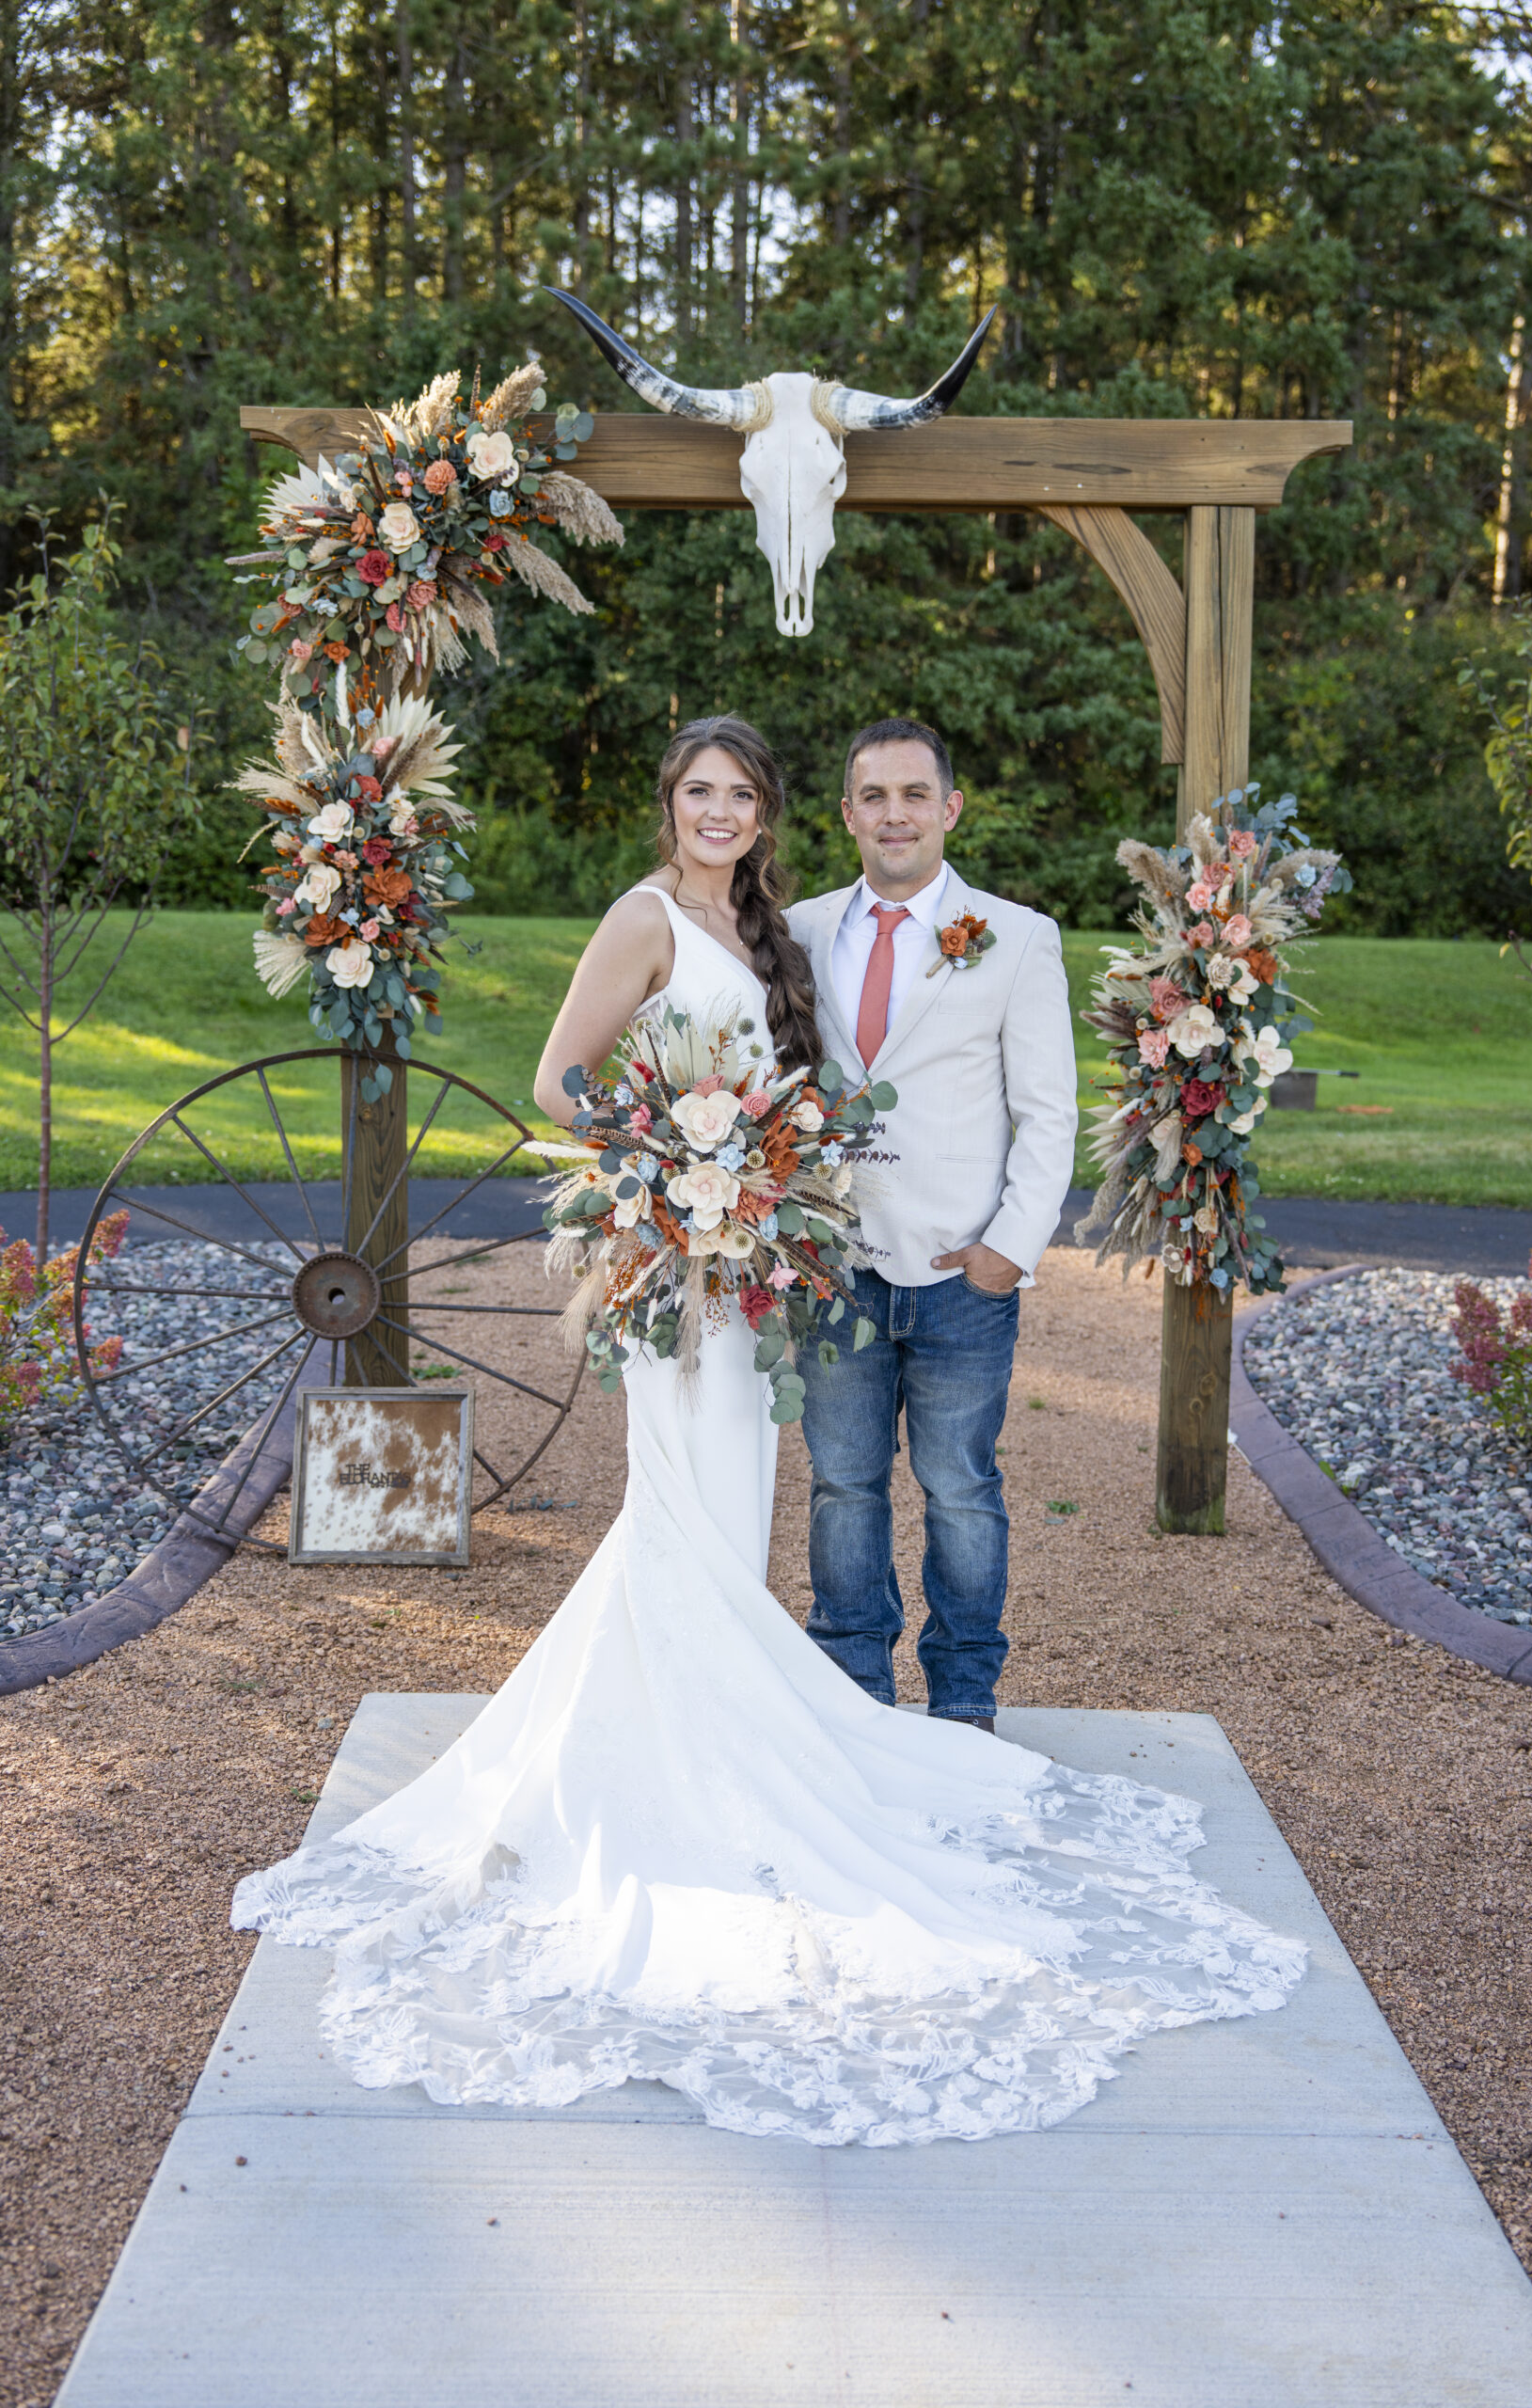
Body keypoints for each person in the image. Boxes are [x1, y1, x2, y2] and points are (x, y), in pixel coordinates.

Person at [233, 712, 1303, 2148]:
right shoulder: (679, 914)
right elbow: (569, 1082)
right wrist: (672, 1175)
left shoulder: (816, 927)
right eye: (699, 791)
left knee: (861, 1500)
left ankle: (884, 1710)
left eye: (744, 793)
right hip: (710, 1268)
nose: (722, 811)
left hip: (797, 1272)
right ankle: (703, 1760)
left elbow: (999, 1106)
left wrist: (989, 1241)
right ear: (671, 801)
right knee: (759, 1503)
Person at [787, 719, 1077, 1732]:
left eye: (915, 794)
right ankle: (854, 1686)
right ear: (848, 814)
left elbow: (1048, 1110)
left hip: (963, 1272)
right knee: (842, 1485)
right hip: (835, 1266)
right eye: (874, 795)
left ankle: (963, 1696)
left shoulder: (1016, 936)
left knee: (960, 1487)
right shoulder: (801, 930)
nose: (895, 812)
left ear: (950, 808)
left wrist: (1012, 1247)